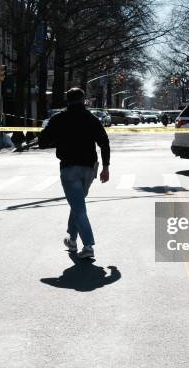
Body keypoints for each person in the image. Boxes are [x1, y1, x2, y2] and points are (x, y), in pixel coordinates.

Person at [38, 88, 110, 259]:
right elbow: (104, 143)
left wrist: (56, 139)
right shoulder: (92, 119)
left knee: (79, 208)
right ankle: (72, 239)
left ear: (67, 100)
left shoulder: (59, 119)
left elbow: (42, 142)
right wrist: (106, 167)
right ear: (84, 100)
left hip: (69, 168)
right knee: (77, 205)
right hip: (89, 169)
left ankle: (88, 246)